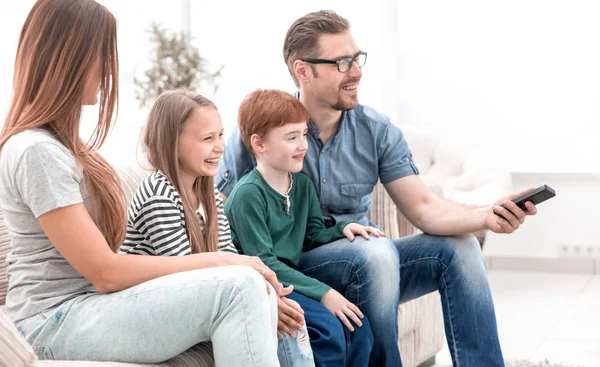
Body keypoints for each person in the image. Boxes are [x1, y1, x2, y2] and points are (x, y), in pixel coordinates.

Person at [217, 10, 539, 367]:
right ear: (303, 70)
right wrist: (257, 286)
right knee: (377, 252)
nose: (357, 71)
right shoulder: (261, 132)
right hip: (296, 266)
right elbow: (220, 216)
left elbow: (424, 208)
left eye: (357, 59)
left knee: (459, 250)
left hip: (370, 266)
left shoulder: (376, 131)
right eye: (342, 63)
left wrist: (486, 216)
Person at [0, 1, 281, 365]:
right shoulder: (36, 151)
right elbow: (106, 272)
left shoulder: (63, 150)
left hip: (84, 307)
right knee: (238, 286)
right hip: (51, 321)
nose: (109, 70)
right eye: (103, 55)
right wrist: (223, 261)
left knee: (255, 287)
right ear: (71, 57)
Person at [120, 89, 315, 366]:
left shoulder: (207, 191)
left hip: (200, 295)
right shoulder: (159, 194)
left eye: (221, 135)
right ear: (172, 143)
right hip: (151, 306)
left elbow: (229, 255)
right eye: (207, 138)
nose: (221, 146)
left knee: (289, 315)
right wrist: (263, 302)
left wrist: (271, 300)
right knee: (270, 310)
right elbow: (185, 274)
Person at [224, 89, 376, 367]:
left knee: (360, 330)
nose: (303, 145)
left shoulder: (303, 185)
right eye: (291, 137)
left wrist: (343, 228)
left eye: (304, 134)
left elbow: (313, 236)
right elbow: (263, 263)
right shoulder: (248, 194)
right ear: (259, 143)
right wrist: (325, 293)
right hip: (265, 284)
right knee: (328, 332)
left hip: (293, 277)